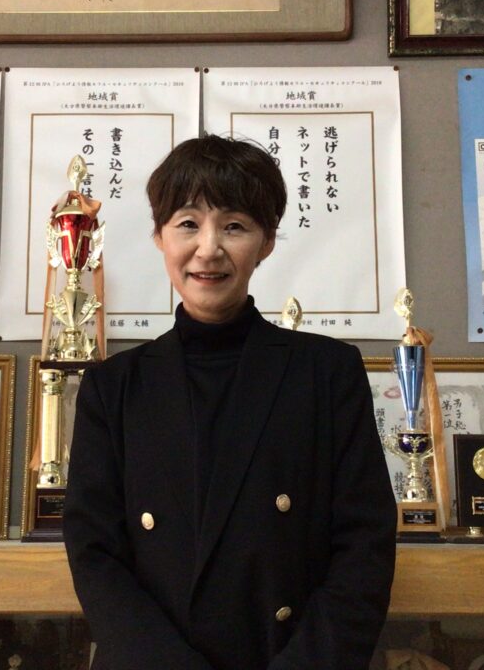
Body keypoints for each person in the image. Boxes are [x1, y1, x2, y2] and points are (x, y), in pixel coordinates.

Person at [63, 135, 397, 670]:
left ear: (266, 242)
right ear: (159, 236)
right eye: (188, 223)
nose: (209, 248)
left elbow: (365, 544)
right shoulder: (113, 387)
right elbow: (94, 552)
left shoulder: (327, 372)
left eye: (235, 226)